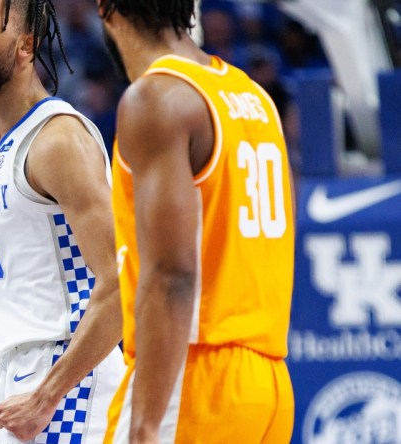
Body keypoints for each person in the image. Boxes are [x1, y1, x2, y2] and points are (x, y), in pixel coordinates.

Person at [97, 1, 296, 443]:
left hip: (190, 376)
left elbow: (173, 275)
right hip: (268, 385)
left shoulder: (156, 98)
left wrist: (145, 424)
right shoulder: (255, 97)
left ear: (106, 9)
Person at [0, 0, 126, 442]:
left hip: (71, 382)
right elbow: (7, 299)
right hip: (17, 380)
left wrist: (47, 396)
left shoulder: (58, 139)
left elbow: (121, 281)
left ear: (26, 46)